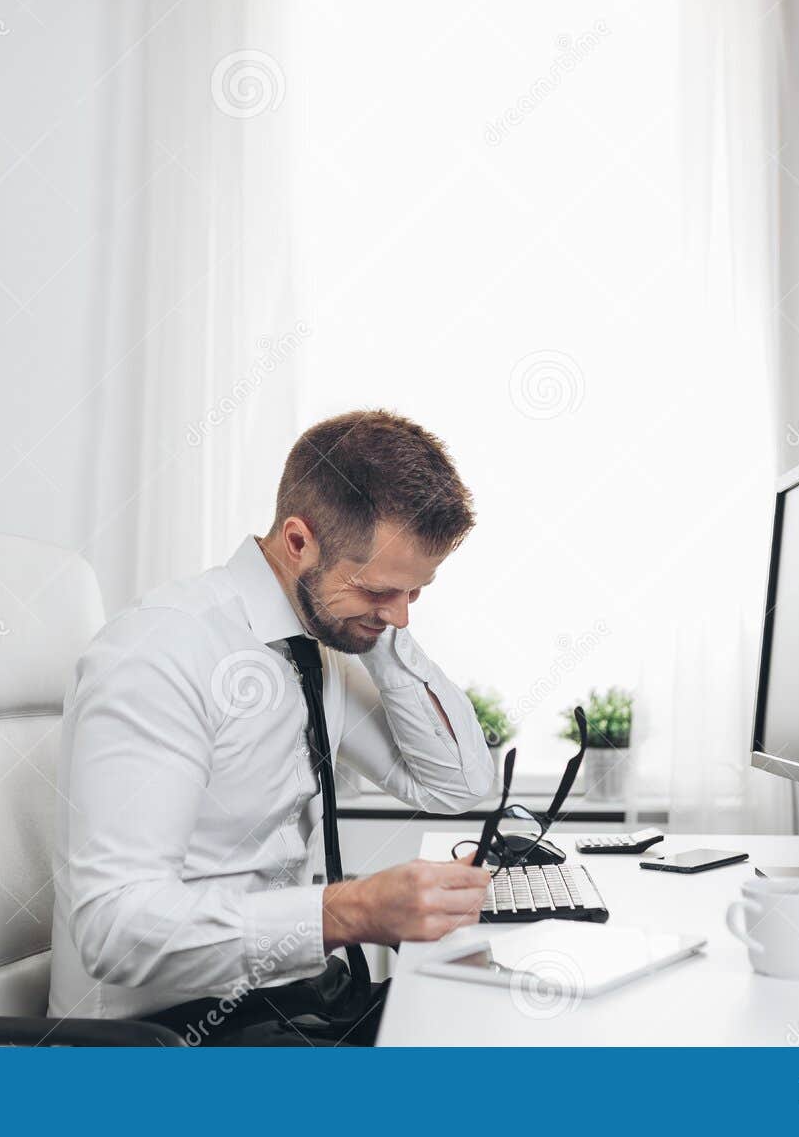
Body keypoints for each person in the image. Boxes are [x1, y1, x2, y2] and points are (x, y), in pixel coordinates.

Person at [48, 409, 497, 1044]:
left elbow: (455, 786)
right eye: (378, 591)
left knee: (497, 1024)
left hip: (294, 998)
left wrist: (382, 634)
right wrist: (355, 911)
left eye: (414, 593)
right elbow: (116, 929)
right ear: (297, 541)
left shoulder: (321, 640)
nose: (399, 615)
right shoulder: (163, 650)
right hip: (166, 1036)